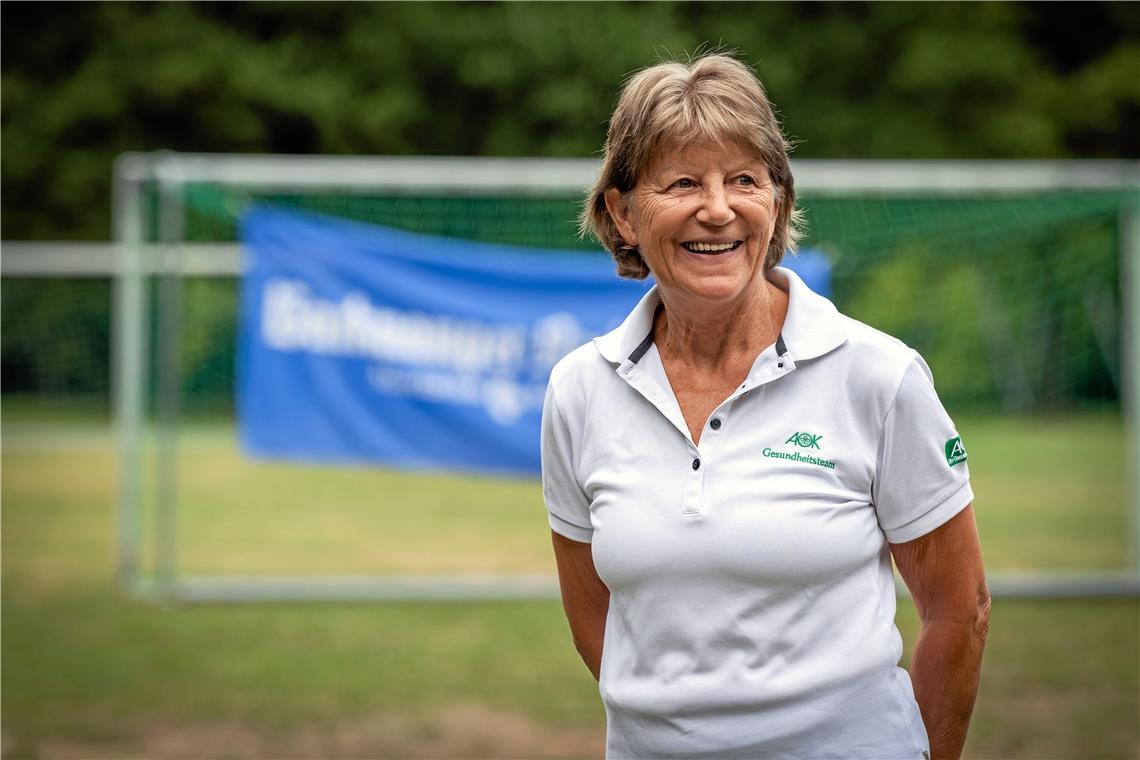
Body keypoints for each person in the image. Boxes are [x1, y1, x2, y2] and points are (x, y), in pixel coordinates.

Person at [540, 53, 989, 760]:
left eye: (744, 180)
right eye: (683, 181)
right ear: (622, 213)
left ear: (775, 202)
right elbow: (596, 617)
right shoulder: (579, 389)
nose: (717, 209)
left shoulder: (880, 375)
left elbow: (960, 613)